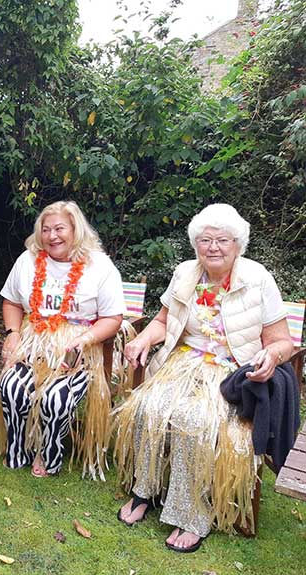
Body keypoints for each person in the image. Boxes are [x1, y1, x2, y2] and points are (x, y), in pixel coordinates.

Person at [114, 204, 294, 552]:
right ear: (196, 244)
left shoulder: (258, 278)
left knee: (193, 420)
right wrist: (142, 338)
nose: (213, 247)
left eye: (222, 240)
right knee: (147, 407)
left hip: (232, 371)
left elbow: (282, 341)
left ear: (237, 244)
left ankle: (192, 513)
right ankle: (144, 490)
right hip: (183, 362)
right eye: (205, 240)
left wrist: (271, 355)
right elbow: (163, 321)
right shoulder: (185, 272)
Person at [0, 201, 125, 480]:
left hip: (77, 347)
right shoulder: (27, 260)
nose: (52, 236)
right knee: (11, 387)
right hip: (33, 342)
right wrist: (12, 333)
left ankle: (48, 452)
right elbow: (11, 301)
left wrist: (84, 340)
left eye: (60, 228)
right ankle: (19, 448)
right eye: (46, 229)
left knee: (56, 398)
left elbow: (113, 318)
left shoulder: (100, 266)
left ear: (76, 230)